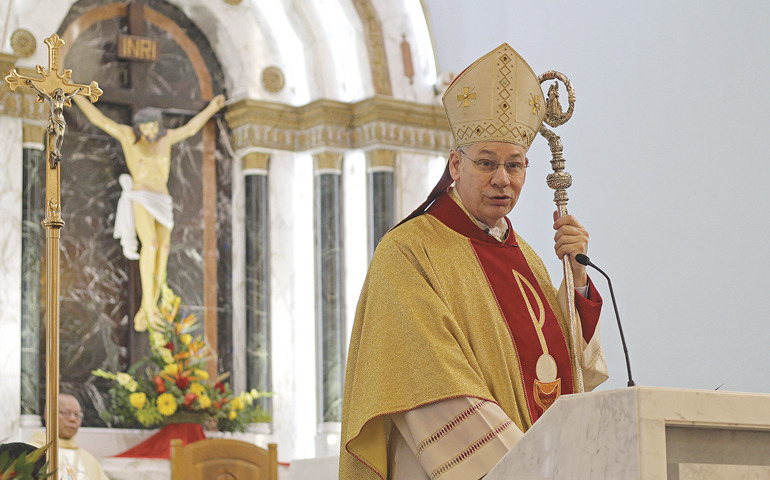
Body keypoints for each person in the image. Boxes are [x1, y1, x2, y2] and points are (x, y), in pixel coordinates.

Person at [340, 43, 609, 480]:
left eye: (515, 165)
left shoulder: (530, 259)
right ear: (455, 165)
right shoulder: (408, 252)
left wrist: (576, 276)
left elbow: (572, 372)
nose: (502, 179)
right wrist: (525, 467)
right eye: (486, 163)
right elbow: (428, 379)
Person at [72, 94, 226, 331]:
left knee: (164, 248)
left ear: (158, 124)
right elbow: (98, 119)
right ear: (139, 127)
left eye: (153, 124)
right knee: (151, 244)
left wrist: (212, 108)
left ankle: (150, 306)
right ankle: (149, 306)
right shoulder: (129, 138)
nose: (149, 129)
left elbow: (192, 127)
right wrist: (78, 96)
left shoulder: (167, 139)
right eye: (145, 126)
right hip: (141, 195)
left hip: (162, 198)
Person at [30, 394, 109, 480]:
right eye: (66, 413)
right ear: (47, 415)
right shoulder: (30, 453)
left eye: (77, 415)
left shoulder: (89, 460)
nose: (72, 419)